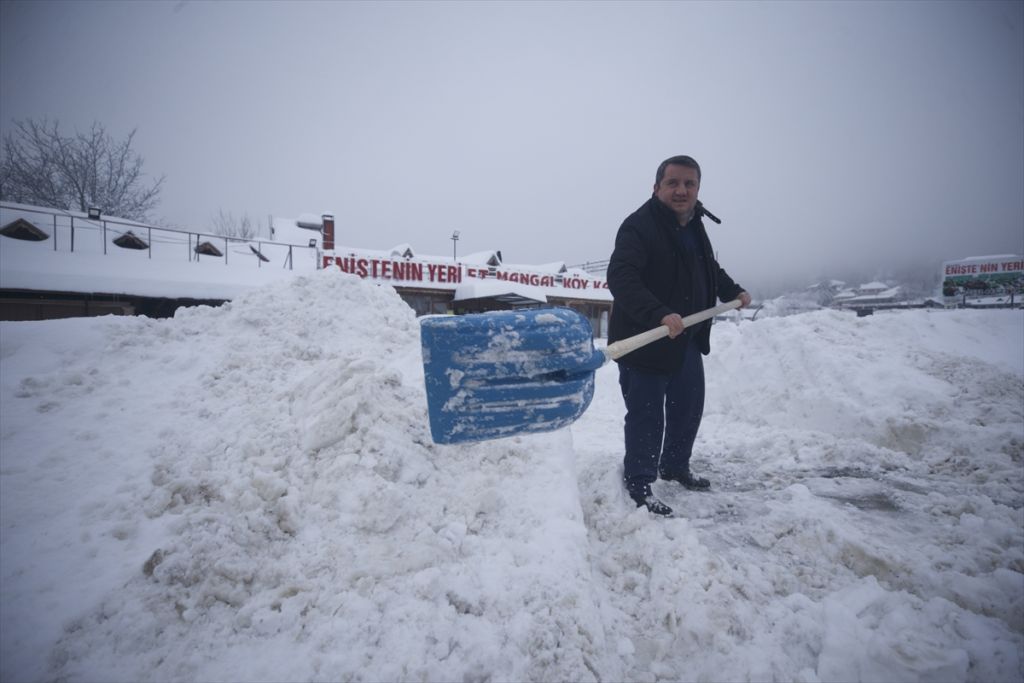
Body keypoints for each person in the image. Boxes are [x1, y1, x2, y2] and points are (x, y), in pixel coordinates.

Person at [606, 155, 751, 516]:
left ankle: (674, 466)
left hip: (685, 339)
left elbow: (708, 268)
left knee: (688, 409)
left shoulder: (694, 224)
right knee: (647, 415)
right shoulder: (638, 226)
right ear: (656, 188)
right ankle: (639, 481)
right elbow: (621, 277)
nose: (681, 190)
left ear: (698, 188)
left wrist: (733, 290)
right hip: (647, 340)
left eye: (689, 183)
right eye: (673, 183)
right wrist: (659, 313)